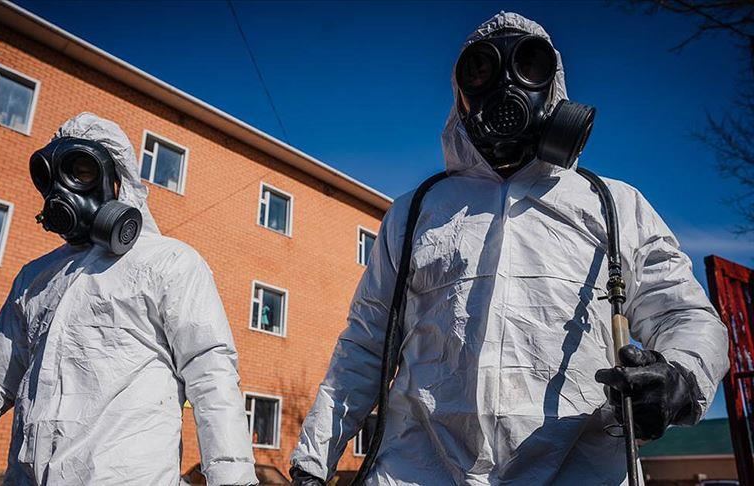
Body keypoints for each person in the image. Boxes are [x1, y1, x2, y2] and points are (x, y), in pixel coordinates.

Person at [289, 12, 729, 485]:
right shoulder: (417, 213)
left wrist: (680, 376)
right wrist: (312, 463)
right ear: (461, 96)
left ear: (553, 88)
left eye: (527, 67)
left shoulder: (614, 207)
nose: (504, 87)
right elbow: (365, 344)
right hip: (420, 470)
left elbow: (683, 314)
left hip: (581, 470)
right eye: (481, 71)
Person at [0, 113, 258, 486]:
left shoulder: (169, 262)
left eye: (81, 172)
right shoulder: (35, 278)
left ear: (117, 181)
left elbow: (211, 375)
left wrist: (233, 480)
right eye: (50, 179)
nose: (62, 192)